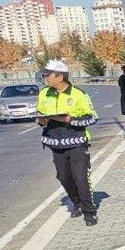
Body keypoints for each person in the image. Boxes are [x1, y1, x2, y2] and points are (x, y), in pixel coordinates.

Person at [36, 59, 99, 226]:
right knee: (63, 177)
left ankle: (89, 211)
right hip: (55, 143)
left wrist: (70, 120)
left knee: (81, 177)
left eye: (48, 74)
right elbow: (40, 114)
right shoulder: (44, 93)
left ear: (60, 76)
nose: (45, 77)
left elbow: (92, 118)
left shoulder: (78, 94)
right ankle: (76, 202)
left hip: (77, 143)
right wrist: (41, 120)